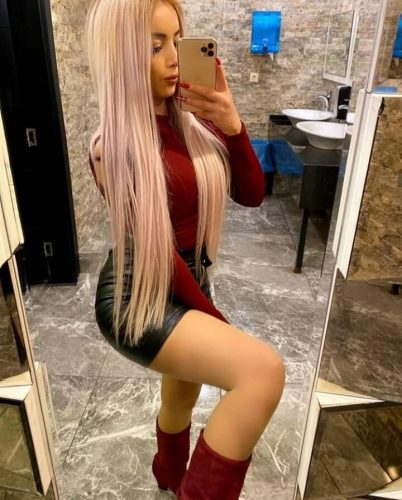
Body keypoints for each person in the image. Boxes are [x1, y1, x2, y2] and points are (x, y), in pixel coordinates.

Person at [85, 0, 285, 498]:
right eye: (155, 46)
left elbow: (252, 195)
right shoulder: (112, 146)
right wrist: (216, 320)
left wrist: (233, 125)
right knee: (262, 373)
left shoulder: (196, 123)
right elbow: (158, 248)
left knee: (181, 400)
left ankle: (169, 473)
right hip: (140, 291)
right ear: (121, 54)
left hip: (190, 278)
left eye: (177, 40)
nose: (174, 57)